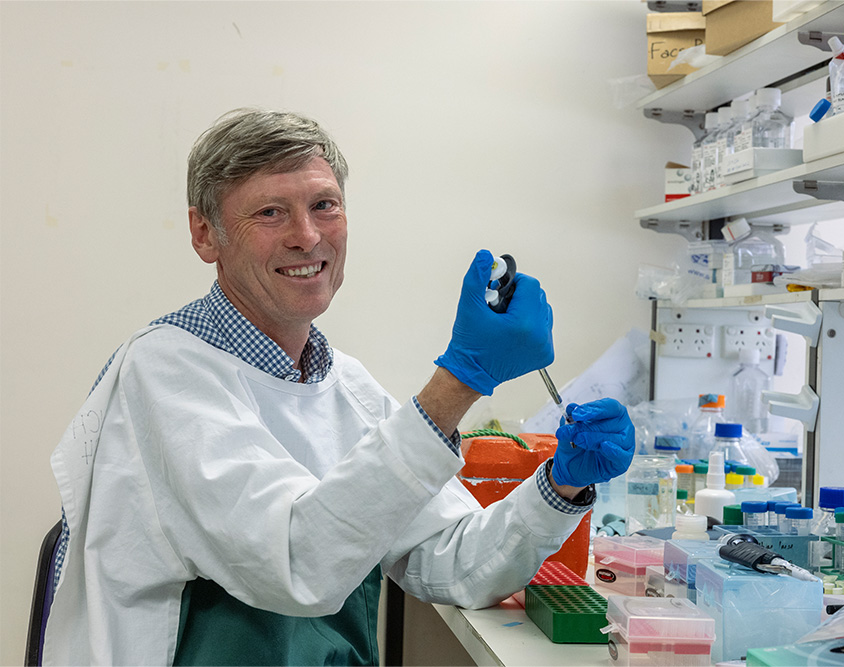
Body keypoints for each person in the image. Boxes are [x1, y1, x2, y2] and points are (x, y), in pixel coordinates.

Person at [45, 108, 635, 665]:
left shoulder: (343, 383)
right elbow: (296, 564)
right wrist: (459, 382)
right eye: (270, 213)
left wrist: (560, 485)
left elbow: (451, 561)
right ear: (206, 235)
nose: (307, 236)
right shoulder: (164, 373)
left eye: (324, 205)